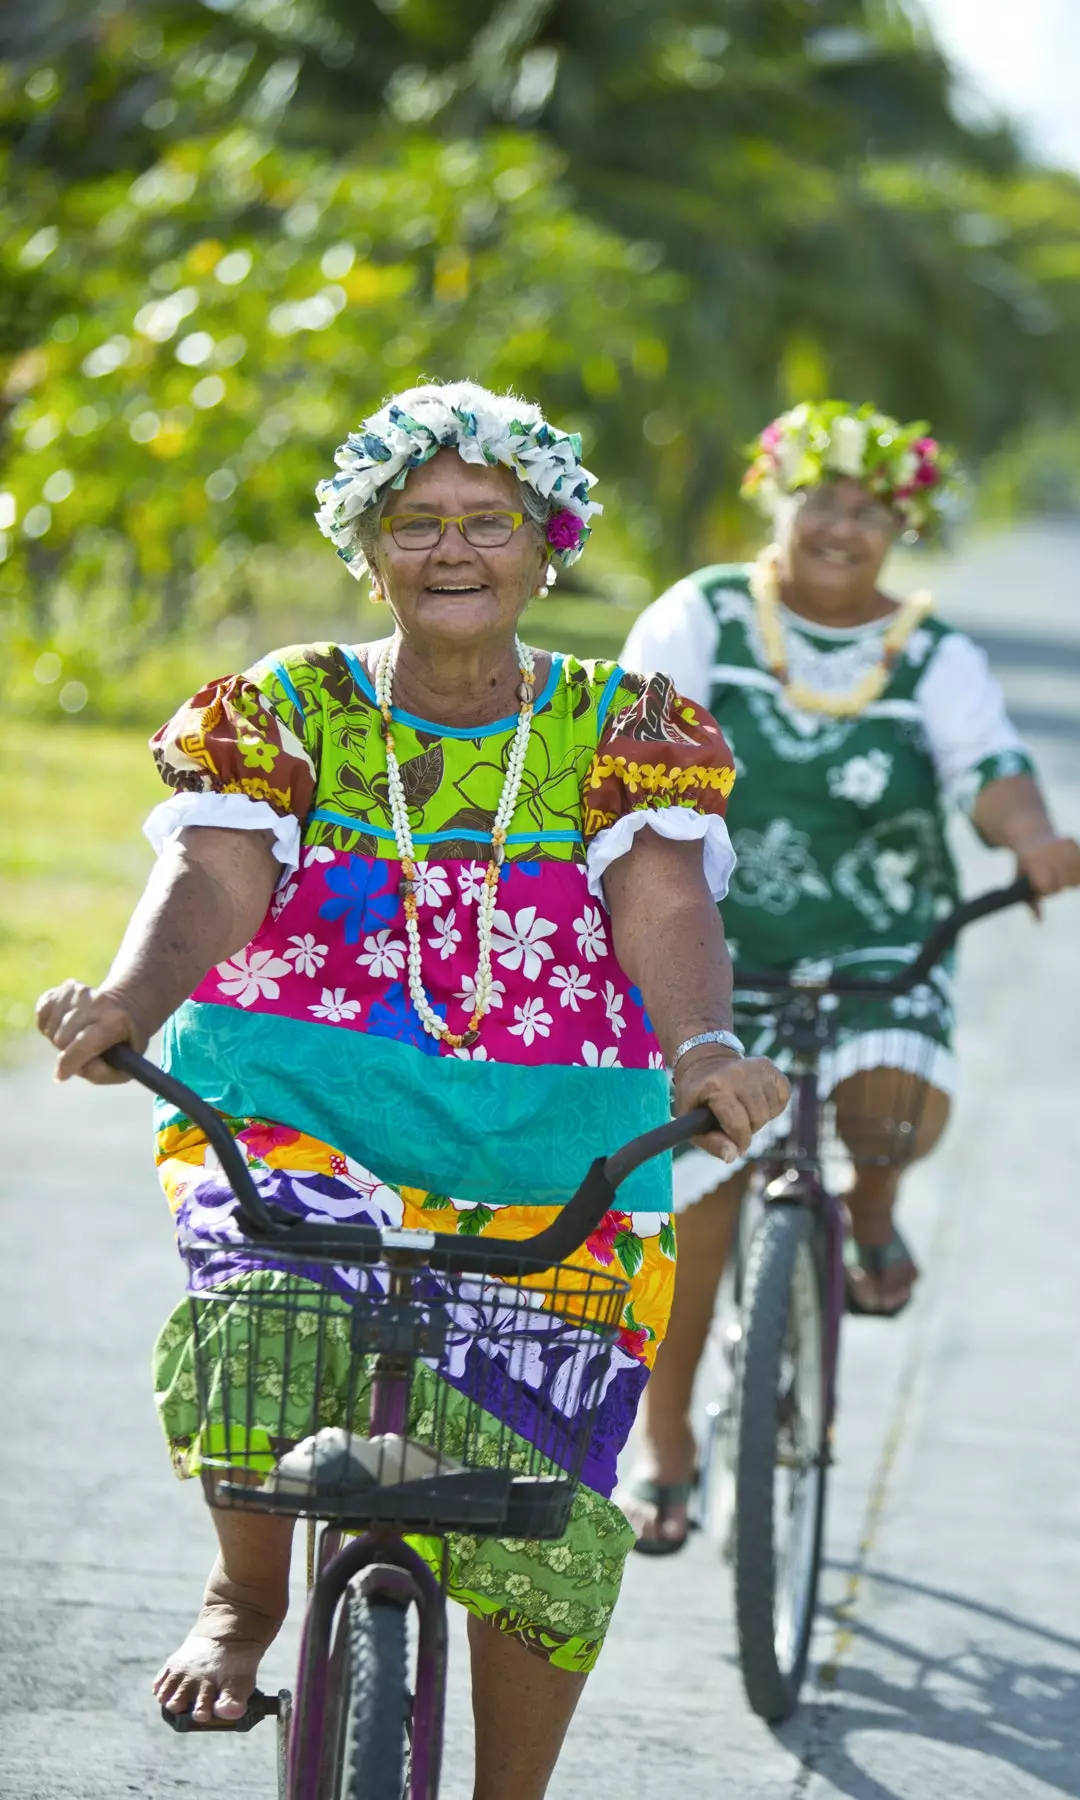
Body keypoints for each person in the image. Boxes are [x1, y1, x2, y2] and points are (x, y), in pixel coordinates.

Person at [36, 379, 789, 1799]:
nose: (454, 551)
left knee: (543, 1511)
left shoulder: (624, 723)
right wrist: (125, 1008)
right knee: (263, 1309)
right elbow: (208, 873)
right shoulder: (285, 706)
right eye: (417, 523)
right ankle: (245, 1597)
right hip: (291, 1102)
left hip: (560, 1146)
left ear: (547, 542)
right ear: (367, 548)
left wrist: (701, 1053)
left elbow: (667, 903)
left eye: (488, 523)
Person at [617, 399, 1080, 1551]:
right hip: (709, 944)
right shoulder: (705, 614)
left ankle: (870, 1217)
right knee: (700, 1198)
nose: (840, 526)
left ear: (902, 526)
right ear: (776, 497)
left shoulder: (933, 652)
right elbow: (624, 734)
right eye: (820, 498)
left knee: (886, 1110)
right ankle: (665, 1445)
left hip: (883, 936)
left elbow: (993, 766)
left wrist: (1029, 838)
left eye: (870, 510)